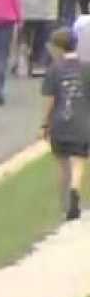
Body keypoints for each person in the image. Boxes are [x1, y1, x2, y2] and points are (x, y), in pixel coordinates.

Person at [39, 29, 89, 220]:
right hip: (82, 124)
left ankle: (65, 203)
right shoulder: (86, 68)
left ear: (58, 48)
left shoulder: (54, 69)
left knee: (63, 165)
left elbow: (50, 100)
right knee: (78, 163)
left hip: (60, 124)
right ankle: (75, 192)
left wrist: (44, 124)